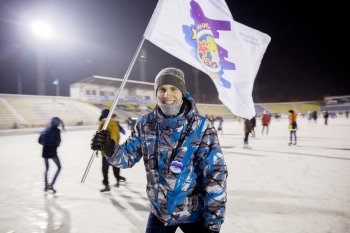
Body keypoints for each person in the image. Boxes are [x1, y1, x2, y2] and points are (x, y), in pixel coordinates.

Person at [91, 67, 227, 233]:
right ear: (156, 93)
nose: (166, 95)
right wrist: (110, 148)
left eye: (173, 89)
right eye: (161, 89)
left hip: (194, 214)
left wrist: (213, 222)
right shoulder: (145, 124)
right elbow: (127, 156)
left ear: (182, 92)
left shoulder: (201, 127)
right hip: (160, 213)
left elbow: (215, 175)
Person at [98, 109, 126, 192]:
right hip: (115, 150)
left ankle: (106, 185)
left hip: (106, 152)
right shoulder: (114, 123)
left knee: (105, 169)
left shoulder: (104, 123)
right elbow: (117, 136)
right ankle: (117, 180)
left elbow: (101, 137)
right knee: (115, 167)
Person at [38, 117, 64, 193]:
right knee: (59, 167)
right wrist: (53, 145)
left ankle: (46, 186)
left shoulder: (45, 129)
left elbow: (39, 140)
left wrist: (46, 144)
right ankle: (51, 185)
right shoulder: (57, 131)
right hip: (52, 152)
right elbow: (58, 143)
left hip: (45, 151)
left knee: (47, 168)